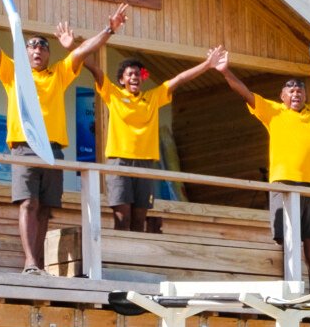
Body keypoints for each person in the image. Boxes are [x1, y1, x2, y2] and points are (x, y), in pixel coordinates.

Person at [0, 0, 127, 271]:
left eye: (43, 47)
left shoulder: (58, 74)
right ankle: (30, 262)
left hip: (52, 149)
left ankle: (36, 266)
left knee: (46, 207)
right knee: (28, 203)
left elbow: (83, 51)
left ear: (49, 54)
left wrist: (109, 29)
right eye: (32, 46)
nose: (38, 50)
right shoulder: (13, 72)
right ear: (24, 52)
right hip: (24, 147)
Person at [216, 53, 310, 289]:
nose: (296, 94)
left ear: (305, 95)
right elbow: (244, 92)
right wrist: (225, 70)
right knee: (287, 236)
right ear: (282, 96)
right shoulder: (273, 111)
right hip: (284, 183)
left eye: (300, 91)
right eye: (291, 92)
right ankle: (290, 286)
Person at [92, 48, 225, 232]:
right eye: (130, 74)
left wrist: (207, 65)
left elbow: (178, 79)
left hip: (146, 165)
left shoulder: (152, 97)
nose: (134, 77)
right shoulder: (114, 95)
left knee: (139, 219)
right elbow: (96, 71)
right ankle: (120, 260)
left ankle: (136, 259)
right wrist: (76, 50)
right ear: (121, 80)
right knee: (122, 217)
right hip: (119, 162)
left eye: (137, 74)